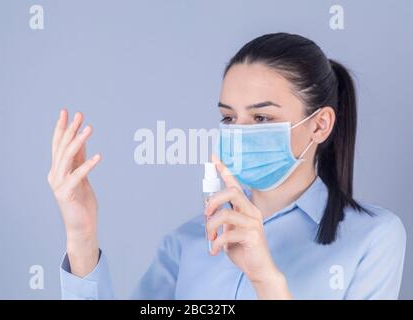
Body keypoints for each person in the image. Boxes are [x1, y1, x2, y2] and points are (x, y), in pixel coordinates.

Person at [47, 33, 406, 299]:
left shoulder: (374, 239)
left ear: (320, 125)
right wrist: (82, 236)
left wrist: (266, 279)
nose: (240, 133)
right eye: (229, 118)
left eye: (262, 117)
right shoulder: (189, 241)